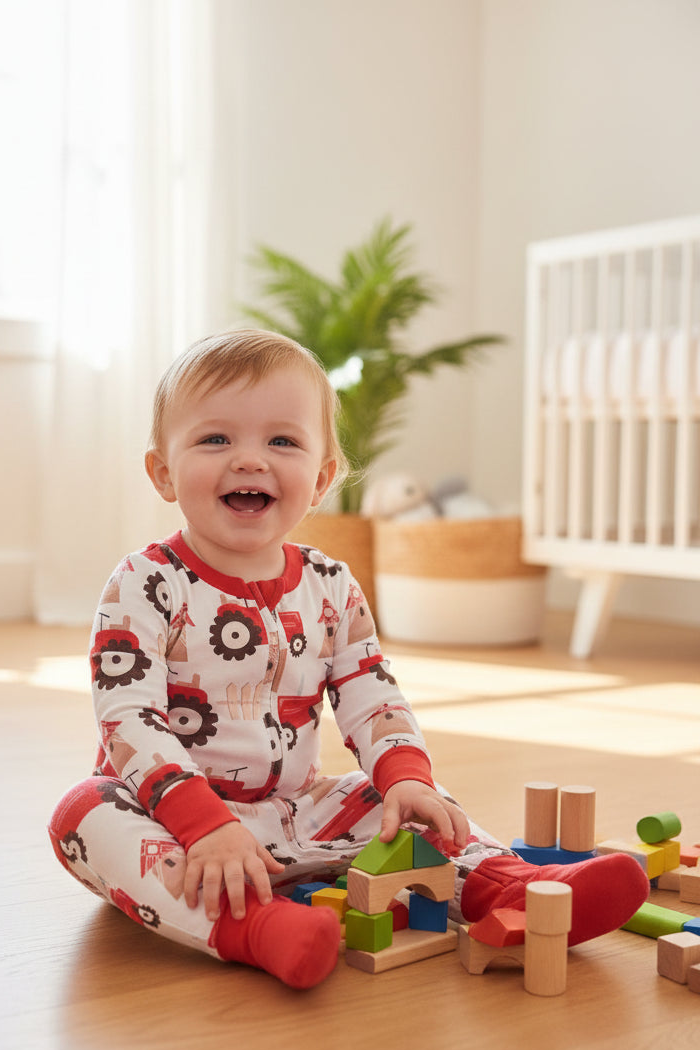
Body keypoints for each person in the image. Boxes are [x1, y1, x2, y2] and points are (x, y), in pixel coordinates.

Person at [49, 328, 648, 989]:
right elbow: (127, 716)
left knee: (399, 801)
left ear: (323, 478)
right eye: (216, 439)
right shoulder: (140, 582)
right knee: (85, 813)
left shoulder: (330, 584)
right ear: (163, 472)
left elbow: (371, 690)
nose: (249, 460)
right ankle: (251, 929)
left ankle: (500, 885)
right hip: (174, 821)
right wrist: (201, 822)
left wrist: (405, 777)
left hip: (296, 811)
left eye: (282, 441)